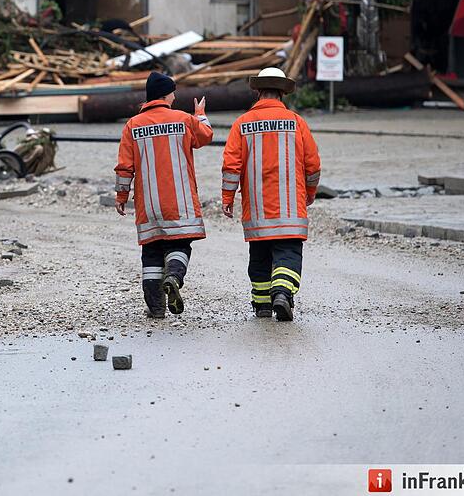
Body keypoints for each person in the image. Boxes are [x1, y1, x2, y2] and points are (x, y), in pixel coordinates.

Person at [221, 67, 321, 321]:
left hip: (257, 210)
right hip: (290, 209)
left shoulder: (242, 123)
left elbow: (231, 166)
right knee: (288, 254)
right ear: (282, 93)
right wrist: (310, 192)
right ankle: (282, 293)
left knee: (260, 258)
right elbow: (313, 165)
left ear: (258, 92)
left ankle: (262, 305)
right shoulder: (297, 122)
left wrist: (227, 197)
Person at [115, 72, 213, 318]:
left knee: (151, 252)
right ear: (166, 95)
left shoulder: (133, 125)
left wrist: (121, 196)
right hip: (180, 202)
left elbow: (124, 167)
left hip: (148, 205)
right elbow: (206, 136)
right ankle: (174, 277)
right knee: (179, 245)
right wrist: (200, 114)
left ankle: (156, 308)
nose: (175, 97)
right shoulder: (184, 119)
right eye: (173, 93)